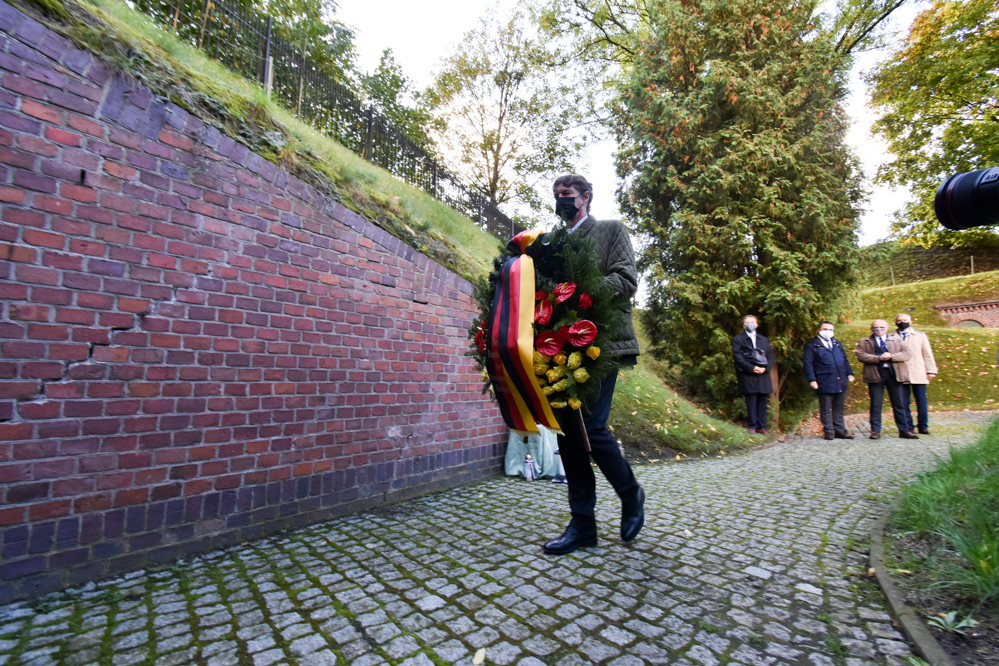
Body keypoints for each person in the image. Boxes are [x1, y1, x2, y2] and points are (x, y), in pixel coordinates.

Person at [542, 174, 645, 556]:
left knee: (594, 428)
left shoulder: (611, 230)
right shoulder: (555, 243)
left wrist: (583, 295)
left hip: (603, 344)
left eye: (567, 195)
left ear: (585, 197)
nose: (561, 201)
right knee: (568, 435)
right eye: (557, 196)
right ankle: (582, 524)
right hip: (561, 347)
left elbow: (626, 278)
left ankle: (631, 494)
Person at [855, 319, 914, 439]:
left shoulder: (897, 340)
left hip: (894, 375)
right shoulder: (864, 341)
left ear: (887, 328)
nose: (879, 330)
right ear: (871, 329)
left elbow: (908, 354)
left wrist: (892, 356)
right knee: (876, 404)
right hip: (875, 375)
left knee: (899, 404)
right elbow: (861, 356)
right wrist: (879, 358)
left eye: (882, 328)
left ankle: (903, 430)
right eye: (876, 328)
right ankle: (875, 431)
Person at [803, 321, 856, 440]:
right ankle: (828, 430)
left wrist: (850, 373)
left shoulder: (837, 344)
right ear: (819, 330)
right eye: (825, 329)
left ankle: (840, 430)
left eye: (831, 329)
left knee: (839, 407)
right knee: (825, 407)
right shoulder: (812, 345)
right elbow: (808, 363)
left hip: (840, 379)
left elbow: (844, 360)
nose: (828, 332)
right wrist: (812, 379)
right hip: (824, 379)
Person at [731, 315, 775, 434]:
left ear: (757, 324)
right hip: (748, 374)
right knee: (751, 400)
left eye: (752, 322)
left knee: (763, 400)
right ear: (744, 325)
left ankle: (762, 426)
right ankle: (752, 426)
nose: (750, 324)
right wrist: (752, 368)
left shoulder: (763, 339)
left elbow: (770, 356)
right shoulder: (738, 339)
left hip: (763, 374)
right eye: (747, 322)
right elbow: (738, 357)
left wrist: (765, 369)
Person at [895, 313, 938, 435]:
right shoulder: (891, 336)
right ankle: (908, 426)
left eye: (905, 320)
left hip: (918, 371)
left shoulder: (920, 336)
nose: (902, 322)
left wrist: (931, 370)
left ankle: (923, 425)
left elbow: (927, 354)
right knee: (903, 402)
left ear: (911, 322)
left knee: (921, 400)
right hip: (900, 373)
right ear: (896, 322)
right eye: (899, 320)